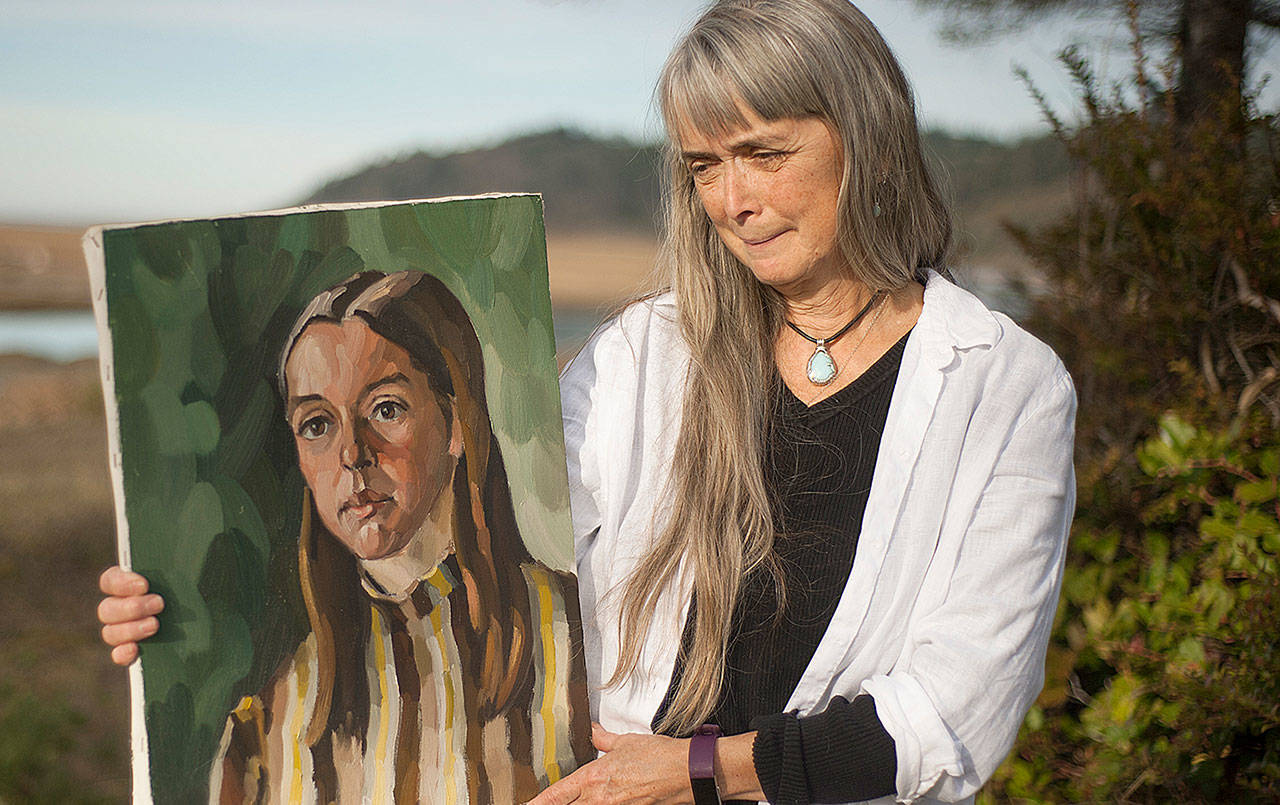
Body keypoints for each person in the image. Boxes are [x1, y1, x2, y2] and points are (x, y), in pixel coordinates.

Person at [102, 1, 1076, 803]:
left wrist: (696, 772)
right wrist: (174, 609)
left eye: (763, 152)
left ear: (865, 136)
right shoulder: (639, 357)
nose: (732, 201)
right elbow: (472, 557)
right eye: (703, 166)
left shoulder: (1007, 389)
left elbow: (951, 716)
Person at [108, 270, 594, 804]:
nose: (351, 455)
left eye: (386, 410)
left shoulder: (576, 631)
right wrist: (152, 635)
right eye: (317, 424)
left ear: (456, 421)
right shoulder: (271, 720)